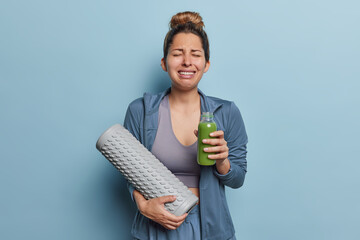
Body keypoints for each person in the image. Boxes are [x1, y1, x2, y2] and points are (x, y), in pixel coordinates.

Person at [123, 11, 248, 240]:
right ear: (164, 62)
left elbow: (238, 178)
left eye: (196, 54)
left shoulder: (227, 113)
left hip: (209, 228)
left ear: (206, 64)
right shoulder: (139, 111)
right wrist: (143, 206)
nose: (187, 62)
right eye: (177, 54)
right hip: (155, 227)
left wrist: (222, 161)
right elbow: (129, 170)